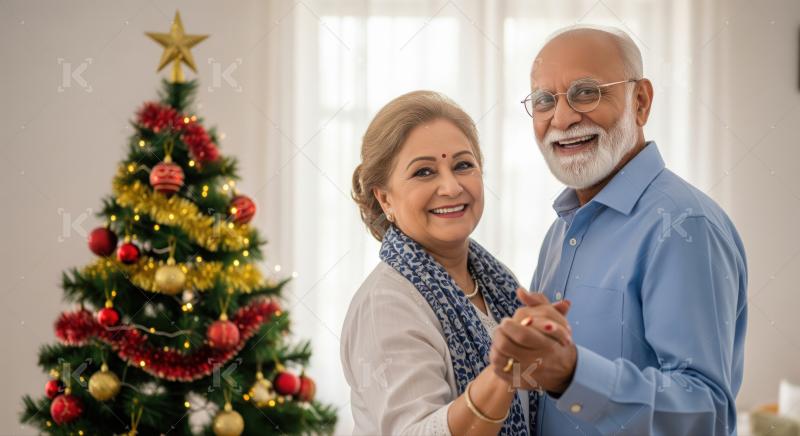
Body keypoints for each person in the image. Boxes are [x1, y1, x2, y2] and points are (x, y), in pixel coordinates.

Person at [488, 25, 748, 435]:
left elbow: (706, 415)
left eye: (586, 92)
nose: (562, 117)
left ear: (640, 102)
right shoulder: (561, 231)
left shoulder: (683, 227)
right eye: (543, 101)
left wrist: (572, 375)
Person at [341, 90, 570, 435]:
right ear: (384, 197)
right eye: (424, 172)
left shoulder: (497, 281)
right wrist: (501, 374)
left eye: (463, 165)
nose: (450, 187)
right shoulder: (387, 304)